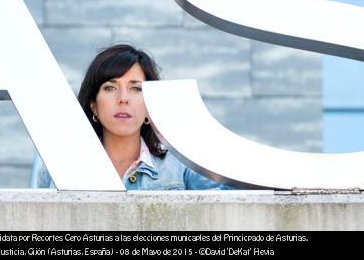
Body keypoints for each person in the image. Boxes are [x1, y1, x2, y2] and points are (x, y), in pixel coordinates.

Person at [33, 44, 239, 190]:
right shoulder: (60, 164)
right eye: (110, 87)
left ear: (151, 105)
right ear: (93, 105)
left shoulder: (178, 164)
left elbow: (236, 203)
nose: (123, 99)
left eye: (135, 88)